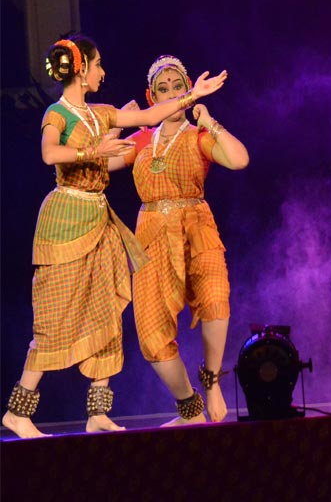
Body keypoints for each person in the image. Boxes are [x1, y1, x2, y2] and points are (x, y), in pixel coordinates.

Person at [2, 35, 227, 439]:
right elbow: (49, 154)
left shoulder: (99, 113)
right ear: (82, 68)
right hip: (65, 218)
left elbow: (147, 118)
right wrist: (95, 152)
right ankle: (18, 410)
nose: (104, 72)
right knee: (56, 315)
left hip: (99, 218)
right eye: (99, 65)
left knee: (107, 312)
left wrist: (192, 96)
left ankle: (98, 412)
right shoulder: (58, 113)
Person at [112, 55, 248, 425]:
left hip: (196, 225)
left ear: (188, 90)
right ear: (151, 96)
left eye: (177, 87)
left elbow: (238, 160)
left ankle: (213, 381)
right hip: (152, 234)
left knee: (215, 298)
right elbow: (98, 164)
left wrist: (209, 121)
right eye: (163, 89)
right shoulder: (141, 139)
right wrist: (115, 124)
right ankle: (190, 408)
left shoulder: (198, 136)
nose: (171, 93)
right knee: (153, 335)